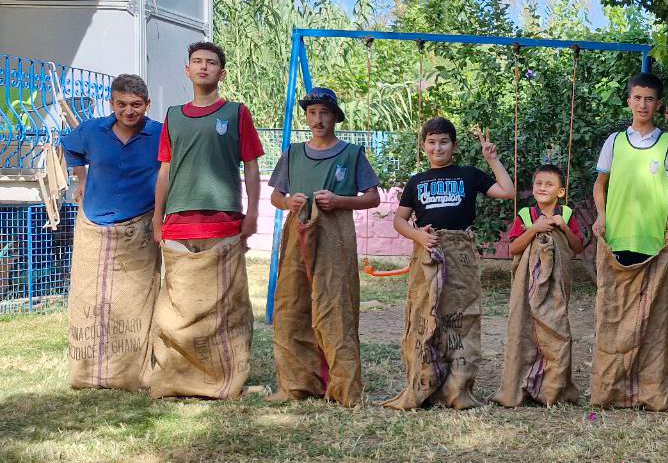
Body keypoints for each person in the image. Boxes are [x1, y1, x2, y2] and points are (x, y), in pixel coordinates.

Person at [149, 42, 264, 400]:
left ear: (221, 72)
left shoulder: (235, 113)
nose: (203, 67)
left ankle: (225, 380)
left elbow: (252, 166)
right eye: (197, 62)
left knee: (225, 308)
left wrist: (253, 213)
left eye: (211, 63)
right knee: (178, 308)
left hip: (224, 224)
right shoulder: (173, 115)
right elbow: (165, 170)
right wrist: (157, 218)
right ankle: (178, 378)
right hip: (178, 226)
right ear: (187, 70)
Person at [386, 117, 515, 410]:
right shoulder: (417, 181)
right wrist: (418, 235)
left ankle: (457, 389)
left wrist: (492, 160)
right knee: (425, 314)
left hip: (461, 255)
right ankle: (424, 383)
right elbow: (399, 220)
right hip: (428, 254)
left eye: (443, 141)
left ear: (454, 146)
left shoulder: (468, 174)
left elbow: (506, 191)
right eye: (431, 142)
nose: (437, 147)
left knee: (460, 316)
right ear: (424, 146)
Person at [268, 86, 381, 407]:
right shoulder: (292, 153)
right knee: (292, 305)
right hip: (297, 234)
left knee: (335, 305)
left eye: (325, 113)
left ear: (335, 117)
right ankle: (296, 383)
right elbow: (276, 196)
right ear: (306, 116)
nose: (318, 119)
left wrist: (339, 200)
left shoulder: (351, 154)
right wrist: (289, 201)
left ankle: (343, 387)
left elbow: (372, 197)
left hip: (335, 235)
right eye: (312, 112)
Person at [589, 73, 668, 412]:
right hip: (617, 239)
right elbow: (600, 184)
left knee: (650, 318)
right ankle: (612, 390)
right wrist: (601, 216)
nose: (643, 104)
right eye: (637, 98)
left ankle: (649, 390)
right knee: (614, 315)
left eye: (649, 99)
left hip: (652, 242)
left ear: (657, 105)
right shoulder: (614, 141)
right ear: (628, 101)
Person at [63, 74, 162, 391]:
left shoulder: (160, 134)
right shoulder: (92, 130)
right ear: (112, 103)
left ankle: (131, 374)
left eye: (135, 105)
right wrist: (81, 181)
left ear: (147, 104)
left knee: (135, 298)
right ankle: (87, 372)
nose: (128, 111)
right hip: (94, 224)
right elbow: (71, 148)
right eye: (121, 104)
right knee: (89, 297)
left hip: (139, 225)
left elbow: (170, 171)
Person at [497, 163, 586, 407]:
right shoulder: (525, 216)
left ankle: (553, 388)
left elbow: (578, 247)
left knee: (556, 328)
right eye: (538, 183)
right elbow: (513, 248)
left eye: (549, 184)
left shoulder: (566, 214)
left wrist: (563, 227)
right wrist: (534, 230)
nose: (542, 187)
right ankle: (524, 385)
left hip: (556, 286)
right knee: (525, 330)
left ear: (561, 192)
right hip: (528, 286)